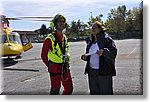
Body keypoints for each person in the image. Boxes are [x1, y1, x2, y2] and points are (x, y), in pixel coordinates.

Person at [81, 21, 117, 95]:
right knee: (94, 92)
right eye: (92, 28)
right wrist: (85, 56)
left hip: (104, 71)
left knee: (105, 92)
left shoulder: (106, 38)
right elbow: (90, 53)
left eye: (95, 28)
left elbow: (113, 52)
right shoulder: (91, 40)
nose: (92, 29)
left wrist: (104, 52)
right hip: (92, 71)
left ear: (100, 29)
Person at [41, 14, 73, 95]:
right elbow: (43, 55)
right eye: (59, 21)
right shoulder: (49, 38)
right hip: (54, 67)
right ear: (55, 23)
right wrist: (49, 65)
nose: (62, 23)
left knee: (69, 88)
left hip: (64, 66)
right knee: (55, 89)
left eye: (63, 22)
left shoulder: (64, 37)